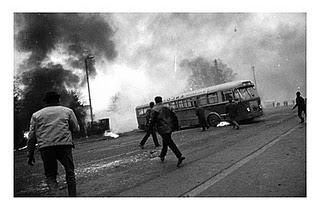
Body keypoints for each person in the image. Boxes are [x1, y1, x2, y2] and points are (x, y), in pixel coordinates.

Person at [27, 91, 80, 197]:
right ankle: (73, 197)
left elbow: (32, 137)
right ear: (58, 100)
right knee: (70, 172)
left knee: (50, 175)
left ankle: (56, 197)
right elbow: (76, 128)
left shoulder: (36, 115)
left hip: (46, 148)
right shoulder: (67, 111)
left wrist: (30, 154)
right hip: (64, 146)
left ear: (45, 102)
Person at [149, 96, 185, 167]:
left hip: (162, 129)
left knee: (169, 142)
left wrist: (150, 128)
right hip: (169, 127)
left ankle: (179, 156)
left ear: (155, 101)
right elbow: (175, 117)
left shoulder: (155, 109)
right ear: (161, 100)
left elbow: (153, 120)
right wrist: (176, 126)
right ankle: (162, 155)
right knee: (165, 142)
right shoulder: (168, 107)